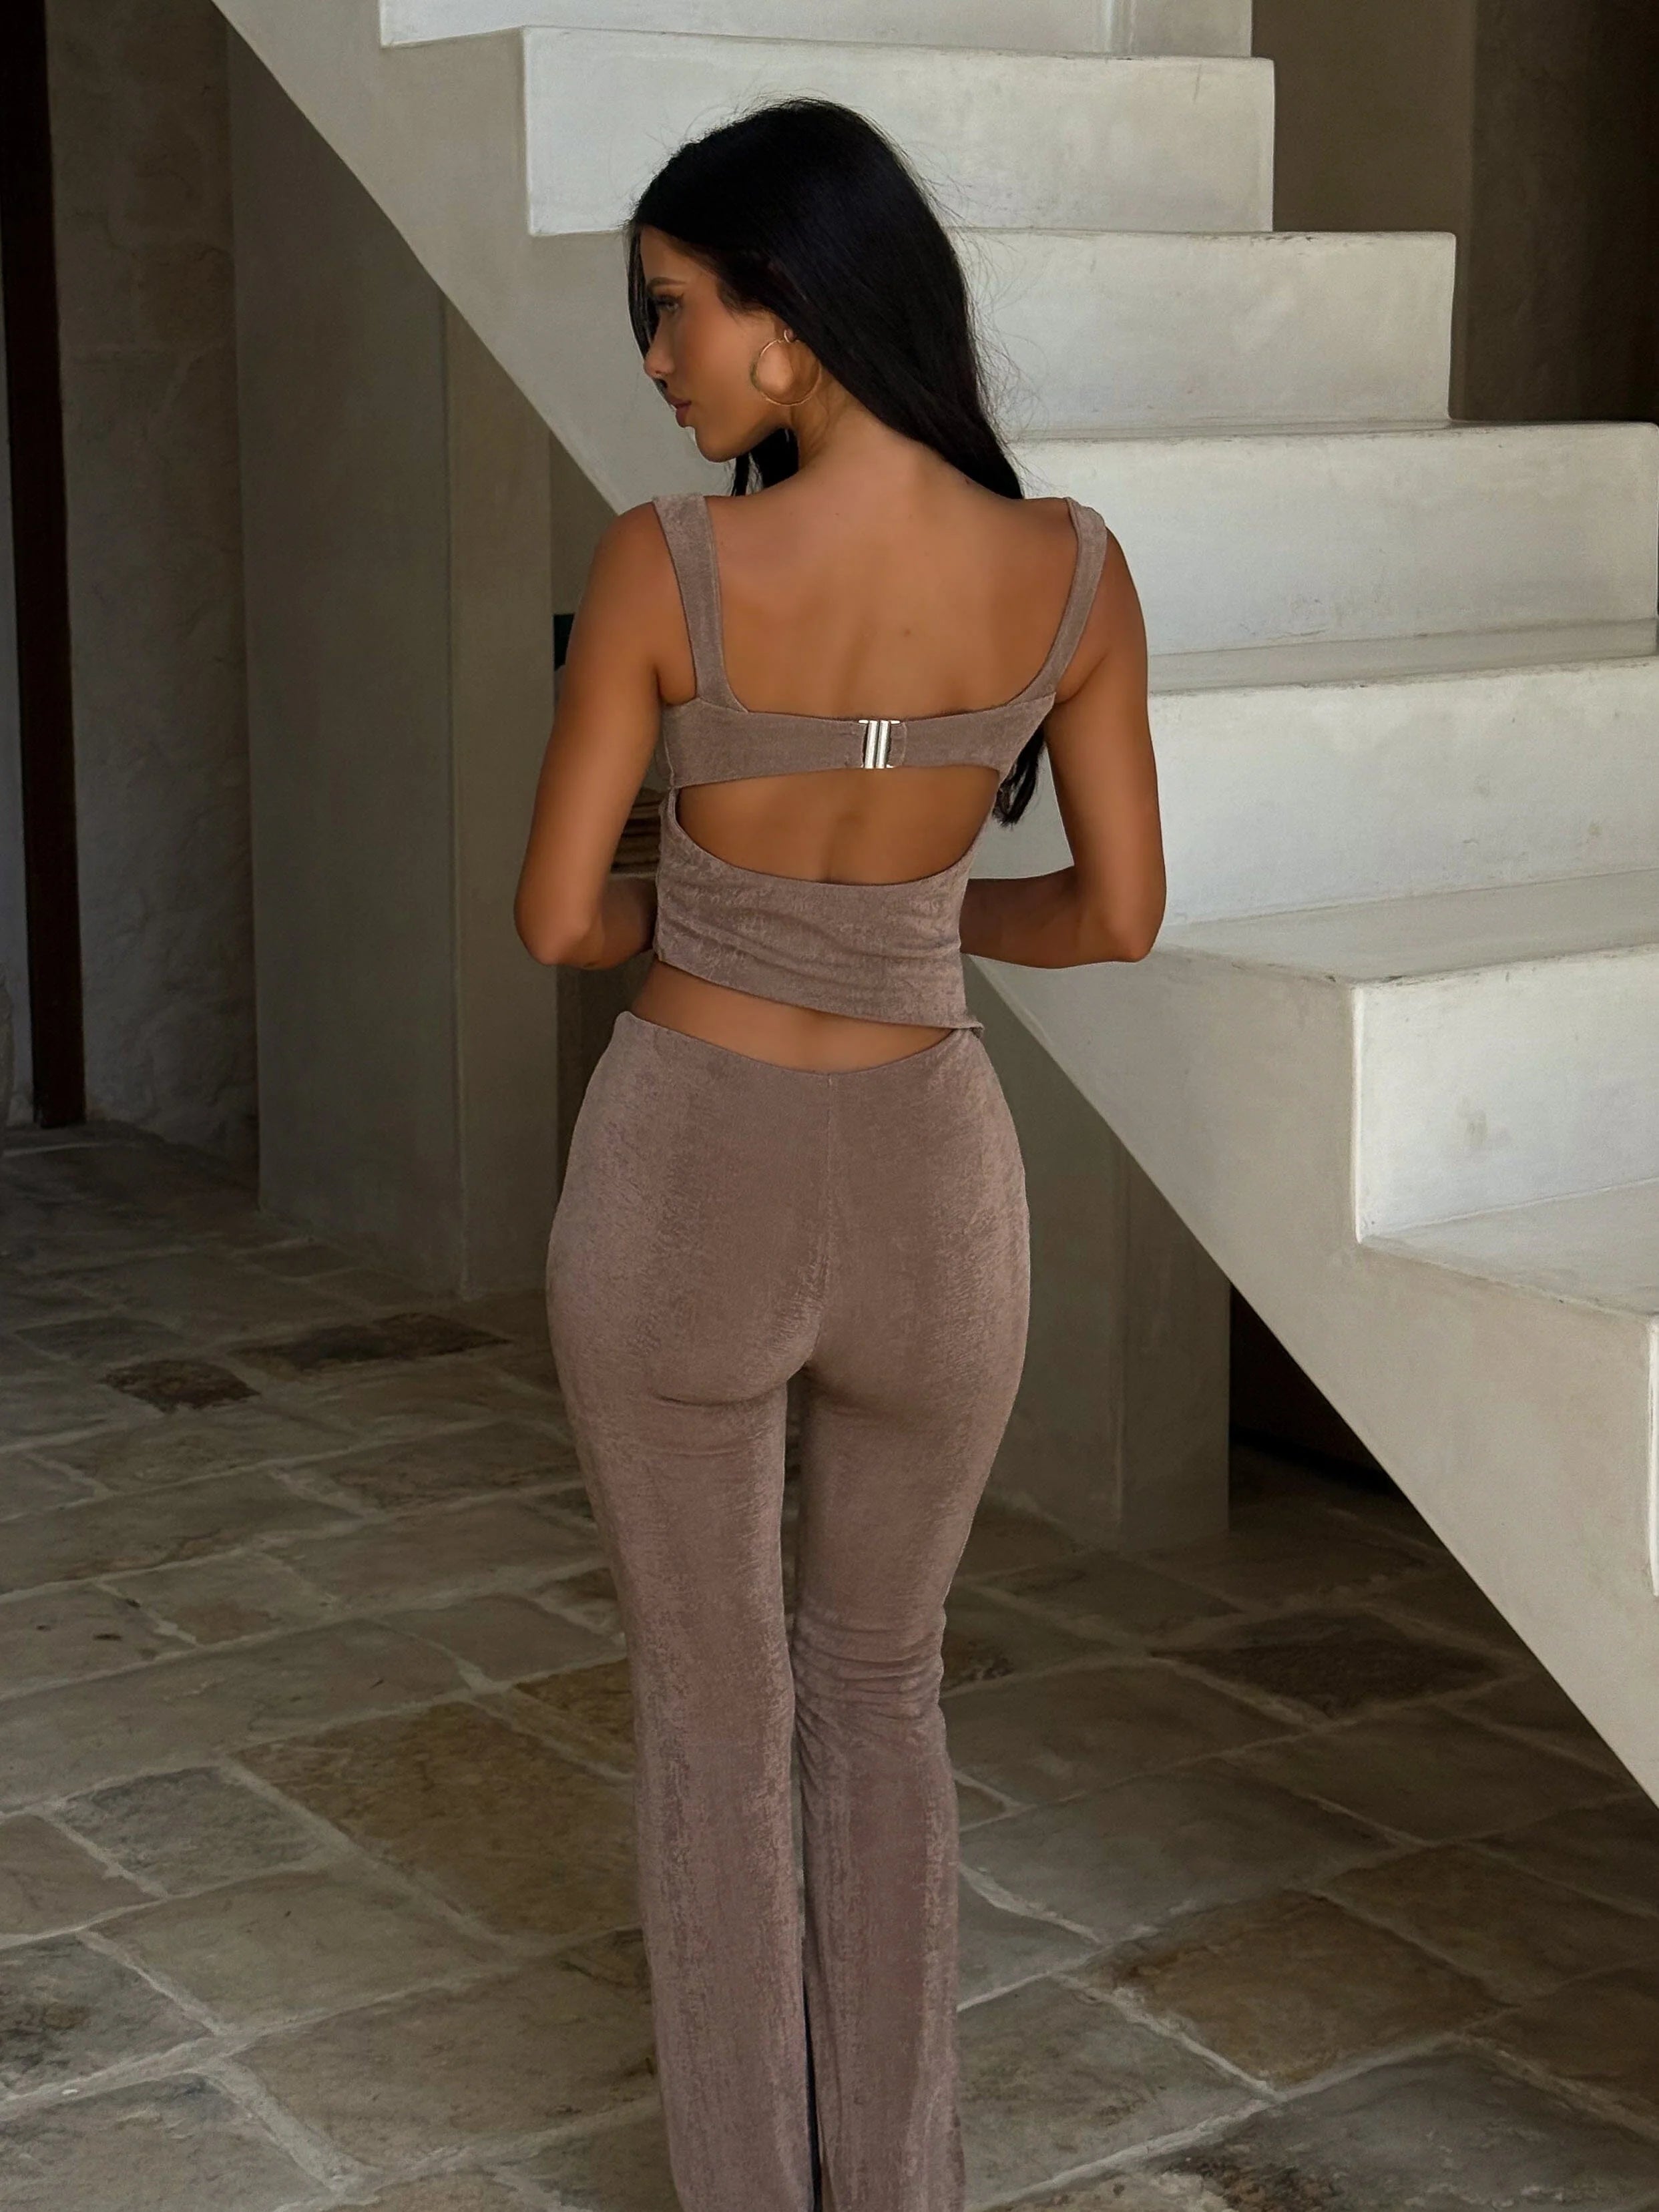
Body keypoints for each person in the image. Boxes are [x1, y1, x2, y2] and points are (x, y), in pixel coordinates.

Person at [515, 93, 1164, 2212]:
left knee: (717, 1715)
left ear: (787, 315)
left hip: (687, 1178)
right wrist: (910, 926)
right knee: (881, 1695)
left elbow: (556, 917)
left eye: (675, 310)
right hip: (932, 1197)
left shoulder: (666, 564)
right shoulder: (1073, 573)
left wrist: (716, 919)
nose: (658, 358)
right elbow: (1121, 912)